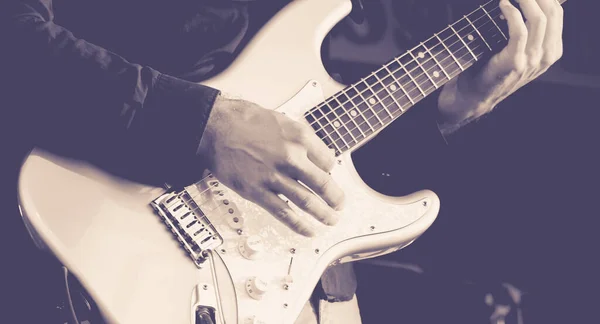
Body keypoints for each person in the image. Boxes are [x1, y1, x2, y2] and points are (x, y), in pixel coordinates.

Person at [0, 0, 563, 323]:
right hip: (84, 243)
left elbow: (305, 126)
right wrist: (204, 125)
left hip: (304, 289)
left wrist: (447, 111)